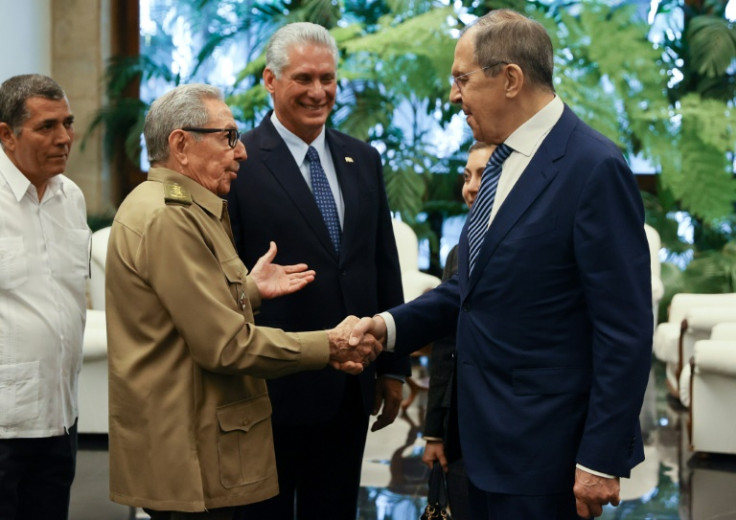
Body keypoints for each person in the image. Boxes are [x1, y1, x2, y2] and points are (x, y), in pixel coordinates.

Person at [351, 9, 653, 520]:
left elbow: (624, 328)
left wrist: (600, 458)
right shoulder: (501, 164)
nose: (453, 95)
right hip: (476, 448)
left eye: (461, 79)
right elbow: (466, 289)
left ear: (510, 78)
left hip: (545, 456)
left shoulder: (593, 167)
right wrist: (386, 327)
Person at [105, 83, 381, 520]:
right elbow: (225, 346)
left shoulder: (186, 206)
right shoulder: (169, 218)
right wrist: (328, 345)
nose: (242, 152)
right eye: (228, 138)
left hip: (197, 443)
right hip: (191, 455)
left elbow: (185, 310)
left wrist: (249, 290)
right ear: (181, 145)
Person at [226, 22, 410, 520]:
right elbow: (227, 280)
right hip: (272, 389)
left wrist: (393, 368)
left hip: (351, 388)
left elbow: (381, 264)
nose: (318, 92)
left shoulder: (363, 159)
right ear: (270, 79)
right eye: (303, 78)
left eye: (327, 79)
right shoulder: (238, 163)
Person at [0, 74, 88, 520]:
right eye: (47, 127)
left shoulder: (70, 198)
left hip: (61, 418)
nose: (64, 138)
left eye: (67, 124)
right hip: (4, 425)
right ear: (6, 134)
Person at [422, 141, 495, 520]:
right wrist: (434, 430)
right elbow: (445, 343)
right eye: (467, 176)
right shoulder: (458, 252)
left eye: (482, 175)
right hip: (461, 430)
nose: (470, 187)